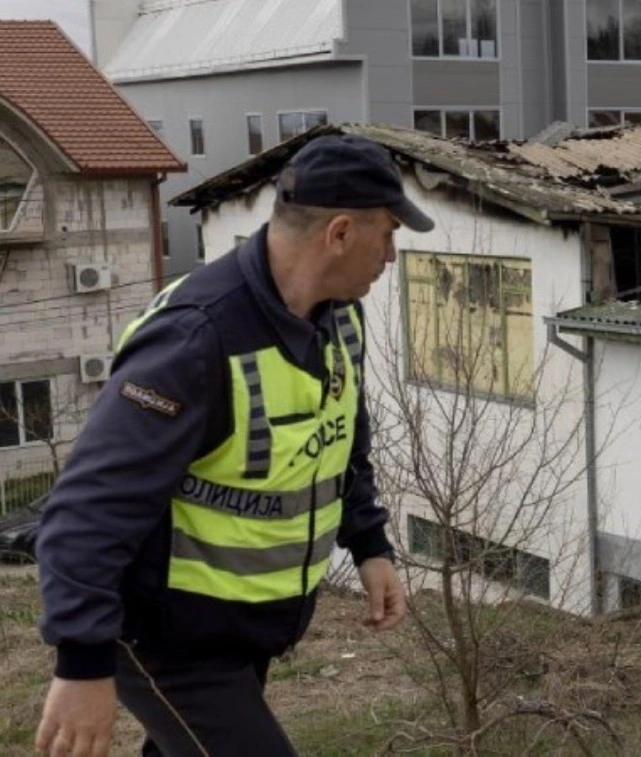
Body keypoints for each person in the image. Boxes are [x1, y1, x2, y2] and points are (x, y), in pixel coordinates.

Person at [33, 134, 433, 756]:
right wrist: (83, 664)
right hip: (165, 638)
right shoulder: (197, 339)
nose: (390, 253)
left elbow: (337, 444)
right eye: (387, 233)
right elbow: (86, 510)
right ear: (340, 233)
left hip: (239, 628)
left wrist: (370, 543)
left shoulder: (337, 317)